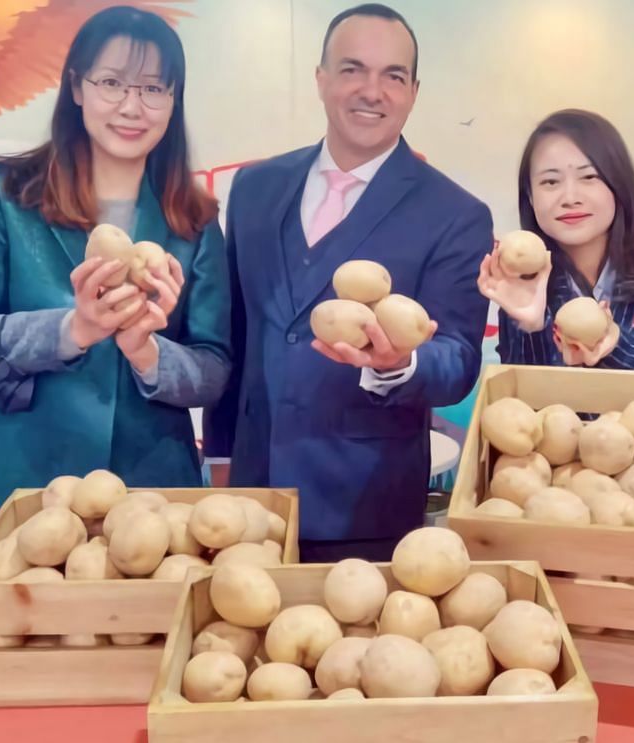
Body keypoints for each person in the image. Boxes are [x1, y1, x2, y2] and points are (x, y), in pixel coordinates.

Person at [202, 3, 493, 562]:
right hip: (250, 498)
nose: (372, 90)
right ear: (321, 79)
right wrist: (221, 458)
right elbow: (234, 329)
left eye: (393, 76)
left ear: (412, 91)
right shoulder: (256, 188)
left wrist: (398, 364)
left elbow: (457, 358)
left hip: (367, 505)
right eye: (353, 69)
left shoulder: (456, 214)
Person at [0, 7, 230, 511]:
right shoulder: (3, 195)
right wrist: (72, 330)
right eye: (112, 82)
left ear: (173, 100)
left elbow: (214, 368)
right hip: (28, 484)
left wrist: (148, 353)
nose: (132, 107)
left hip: (153, 492)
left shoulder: (193, 220)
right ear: (77, 87)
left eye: (154, 88)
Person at [478, 109, 634, 372]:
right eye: (550, 181)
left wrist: (615, 348)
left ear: (618, 184)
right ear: (530, 198)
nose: (570, 197)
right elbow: (520, 409)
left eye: (589, 177)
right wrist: (530, 327)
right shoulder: (523, 287)